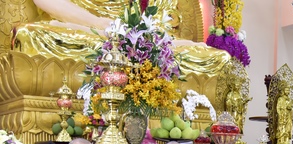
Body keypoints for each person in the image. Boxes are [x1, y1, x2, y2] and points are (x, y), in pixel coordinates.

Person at [14, 0, 231, 75]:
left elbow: (158, 21)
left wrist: (147, 37)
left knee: (216, 58)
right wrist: (99, 24)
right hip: (82, 30)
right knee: (30, 35)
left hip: (131, 37)